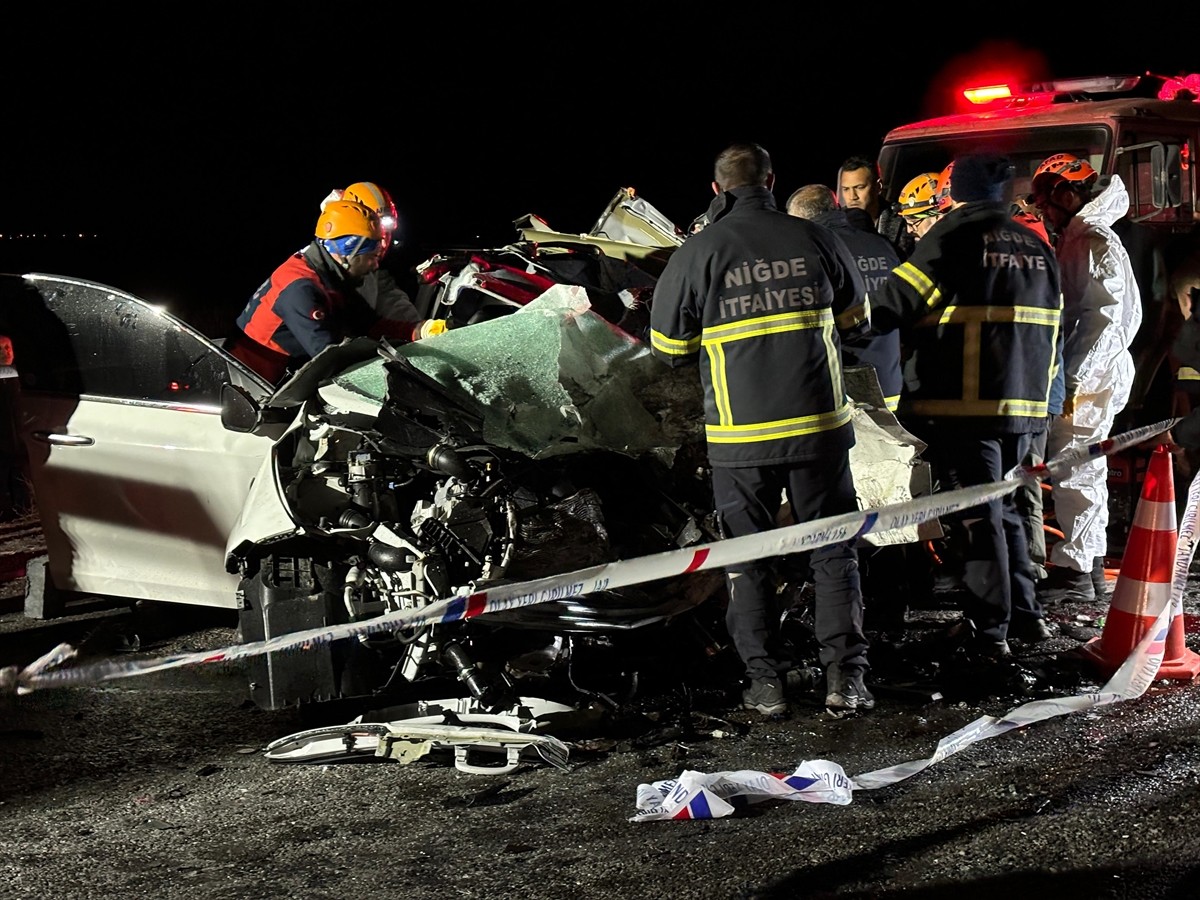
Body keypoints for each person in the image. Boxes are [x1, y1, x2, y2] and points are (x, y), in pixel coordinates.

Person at [650, 143, 873, 717]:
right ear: (772, 180)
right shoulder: (817, 237)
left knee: (748, 560)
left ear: (715, 189)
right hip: (820, 430)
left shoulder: (698, 252)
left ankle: (765, 684)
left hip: (739, 438)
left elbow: (669, 348)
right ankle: (845, 681)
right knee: (832, 553)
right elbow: (858, 321)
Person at [870, 153, 1062, 658]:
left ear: (952, 192)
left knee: (978, 517)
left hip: (963, 405)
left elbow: (892, 305)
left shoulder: (953, 235)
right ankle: (1025, 617)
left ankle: (987, 632)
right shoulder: (1034, 243)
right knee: (1010, 509)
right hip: (1025, 407)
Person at [1029, 154, 1143, 604]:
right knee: (1079, 469)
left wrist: (1075, 381)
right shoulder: (1082, 238)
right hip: (1090, 372)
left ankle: (1077, 572)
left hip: (1093, 375)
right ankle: (1087, 568)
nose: (1041, 209)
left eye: (1045, 199)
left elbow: (1107, 321)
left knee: (1077, 470)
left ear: (1066, 192)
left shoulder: (1094, 241)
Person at [228, 199, 448, 384]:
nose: (375, 266)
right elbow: (331, 359)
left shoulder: (329, 274)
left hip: (282, 377)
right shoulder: (302, 288)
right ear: (350, 252)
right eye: (372, 257)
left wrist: (422, 330)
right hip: (251, 384)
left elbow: (370, 325)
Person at [323, 181, 426, 327]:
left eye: (387, 234)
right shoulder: (314, 272)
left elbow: (393, 303)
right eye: (375, 236)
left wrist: (422, 331)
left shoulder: (372, 273)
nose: (383, 245)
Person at [837, 154, 915, 261]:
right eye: (846, 189)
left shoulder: (902, 219)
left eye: (859, 187)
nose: (852, 196)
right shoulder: (835, 224)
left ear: (878, 187)